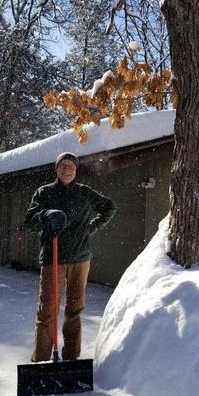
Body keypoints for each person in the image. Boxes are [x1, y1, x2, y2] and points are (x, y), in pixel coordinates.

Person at [25, 152, 116, 362]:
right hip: (52, 258)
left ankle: (71, 358)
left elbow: (109, 207)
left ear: (76, 171)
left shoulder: (84, 193)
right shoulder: (44, 193)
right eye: (63, 166)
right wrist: (45, 215)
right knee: (47, 310)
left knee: (75, 310)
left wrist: (91, 229)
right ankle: (40, 359)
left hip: (80, 258)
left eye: (71, 167)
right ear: (56, 169)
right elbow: (30, 221)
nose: (67, 170)